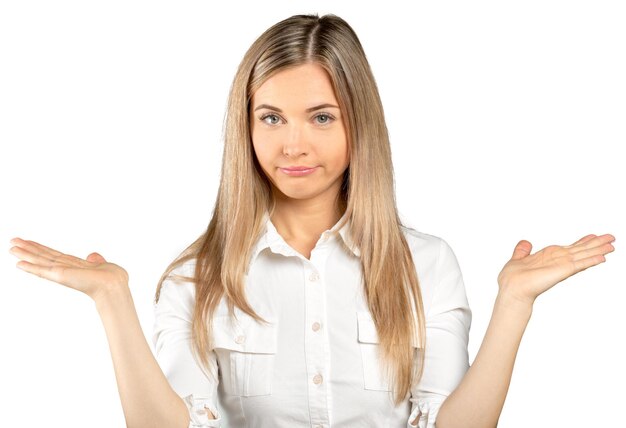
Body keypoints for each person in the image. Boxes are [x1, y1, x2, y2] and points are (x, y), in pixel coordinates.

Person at [8, 13, 615, 428]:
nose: (293, 145)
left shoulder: (425, 264)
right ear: (244, 128)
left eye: (321, 117)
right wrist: (113, 301)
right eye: (272, 118)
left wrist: (514, 302)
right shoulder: (197, 276)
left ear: (359, 124)